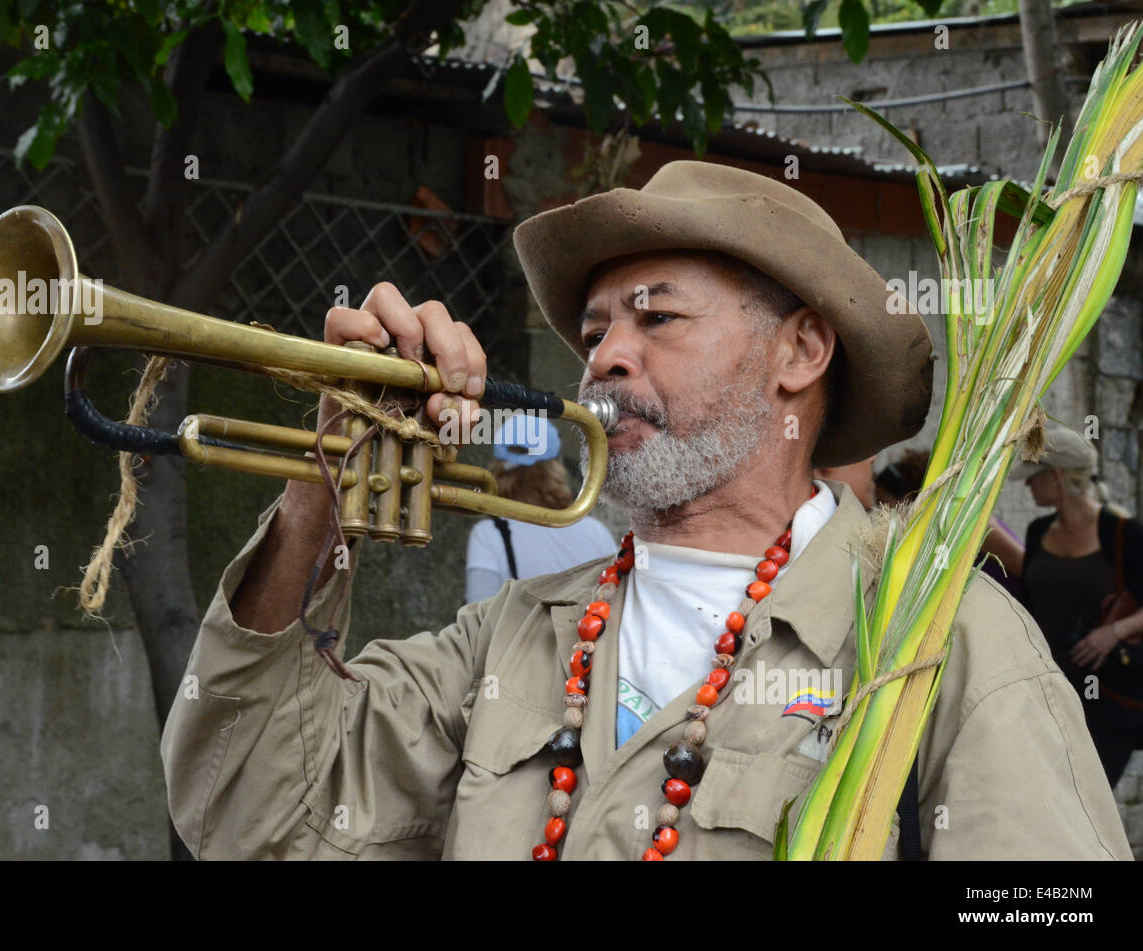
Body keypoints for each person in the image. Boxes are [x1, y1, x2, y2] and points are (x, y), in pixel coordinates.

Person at [161, 161, 1130, 860]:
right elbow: (247, 819)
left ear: (799, 353)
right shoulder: (506, 640)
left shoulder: (941, 636)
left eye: (656, 318)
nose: (604, 359)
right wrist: (316, 497)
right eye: (594, 332)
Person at [1010, 418, 1143, 788]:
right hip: (1051, 689)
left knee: (1089, 801)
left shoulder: (1121, 531)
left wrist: (1113, 632)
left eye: (1035, 476)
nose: (1029, 487)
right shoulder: (1038, 532)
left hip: (1109, 695)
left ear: (1058, 477)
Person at [465, 415, 616, 604]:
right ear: (557, 464)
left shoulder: (489, 535)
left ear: (498, 466)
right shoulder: (597, 532)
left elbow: (478, 617)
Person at [874, 448, 1025, 599]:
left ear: (909, 499)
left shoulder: (969, 520)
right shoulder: (935, 530)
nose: (885, 512)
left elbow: (1024, 567)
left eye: (886, 504)